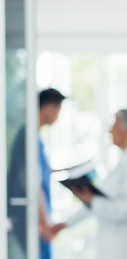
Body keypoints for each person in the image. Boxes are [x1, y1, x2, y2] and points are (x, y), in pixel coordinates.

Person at [51, 109, 127, 259]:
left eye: (115, 126)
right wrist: (64, 224)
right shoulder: (123, 163)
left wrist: (93, 200)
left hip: (126, 247)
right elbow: (99, 202)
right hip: (114, 246)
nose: (110, 131)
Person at [7, 88, 66, 259]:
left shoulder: (34, 137)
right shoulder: (28, 137)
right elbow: (31, 182)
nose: (57, 116)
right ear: (48, 108)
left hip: (34, 217)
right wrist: (44, 223)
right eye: (58, 110)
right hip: (29, 218)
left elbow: (40, 173)